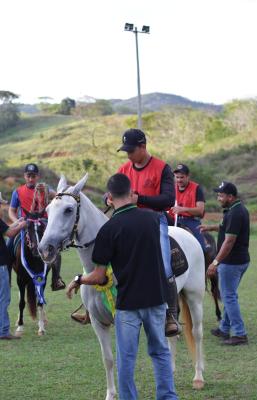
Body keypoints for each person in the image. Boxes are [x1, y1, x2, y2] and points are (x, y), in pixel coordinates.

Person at [66, 173, 179, 400]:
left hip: (127, 305)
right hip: (157, 300)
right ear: (131, 194)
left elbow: (98, 276)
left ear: (109, 198)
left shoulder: (107, 230)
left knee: (126, 358)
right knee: (160, 352)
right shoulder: (153, 220)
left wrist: (79, 279)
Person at [116, 128, 180, 337]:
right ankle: (98, 308)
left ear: (143, 147)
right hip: (127, 222)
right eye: (126, 151)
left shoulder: (162, 168)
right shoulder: (124, 169)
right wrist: (108, 198)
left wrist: (140, 199)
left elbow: (169, 199)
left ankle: (170, 314)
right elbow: (112, 191)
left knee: (164, 262)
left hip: (155, 221)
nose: (128, 155)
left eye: (131, 150)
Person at [200, 181, 250, 346]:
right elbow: (225, 228)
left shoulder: (236, 213)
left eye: (221, 195)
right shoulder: (233, 210)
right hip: (238, 261)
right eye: (218, 194)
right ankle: (224, 328)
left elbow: (229, 241)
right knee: (230, 295)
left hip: (232, 262)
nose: (218, 198)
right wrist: (210, 228)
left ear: (230, 196)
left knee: (229, 297)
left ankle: (240, 334)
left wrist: (214, 262)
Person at [8, 163, 65, 291]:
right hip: (25, 224)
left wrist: (51, 194)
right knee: (8, 246)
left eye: (33, 176)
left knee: (56, 250)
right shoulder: (17, 192)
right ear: (24, 176)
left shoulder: (45, 188)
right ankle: (7, 278)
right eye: (28, 176)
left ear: (37, 176)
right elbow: (11, 210)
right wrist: (17, 221)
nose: (30, 178)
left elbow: (58, 199)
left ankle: (56, 280)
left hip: (42, 224)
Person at [0, 193, 27, 340]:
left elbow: (7, 228)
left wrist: (17, 222)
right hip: (1, 266)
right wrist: (23, 225)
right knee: (3, 299)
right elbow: (10, 233)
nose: (2, 208)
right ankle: (3, 331)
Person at [169, 163, 207, 251]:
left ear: (188, 176)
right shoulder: (172, 188)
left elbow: (200, 211)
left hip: (191, 220)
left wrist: (183, 209)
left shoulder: (196, 188)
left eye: (182, 177)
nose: (179, 180)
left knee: (201, 248)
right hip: (173, 219)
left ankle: (206, 260)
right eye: (177, 177)